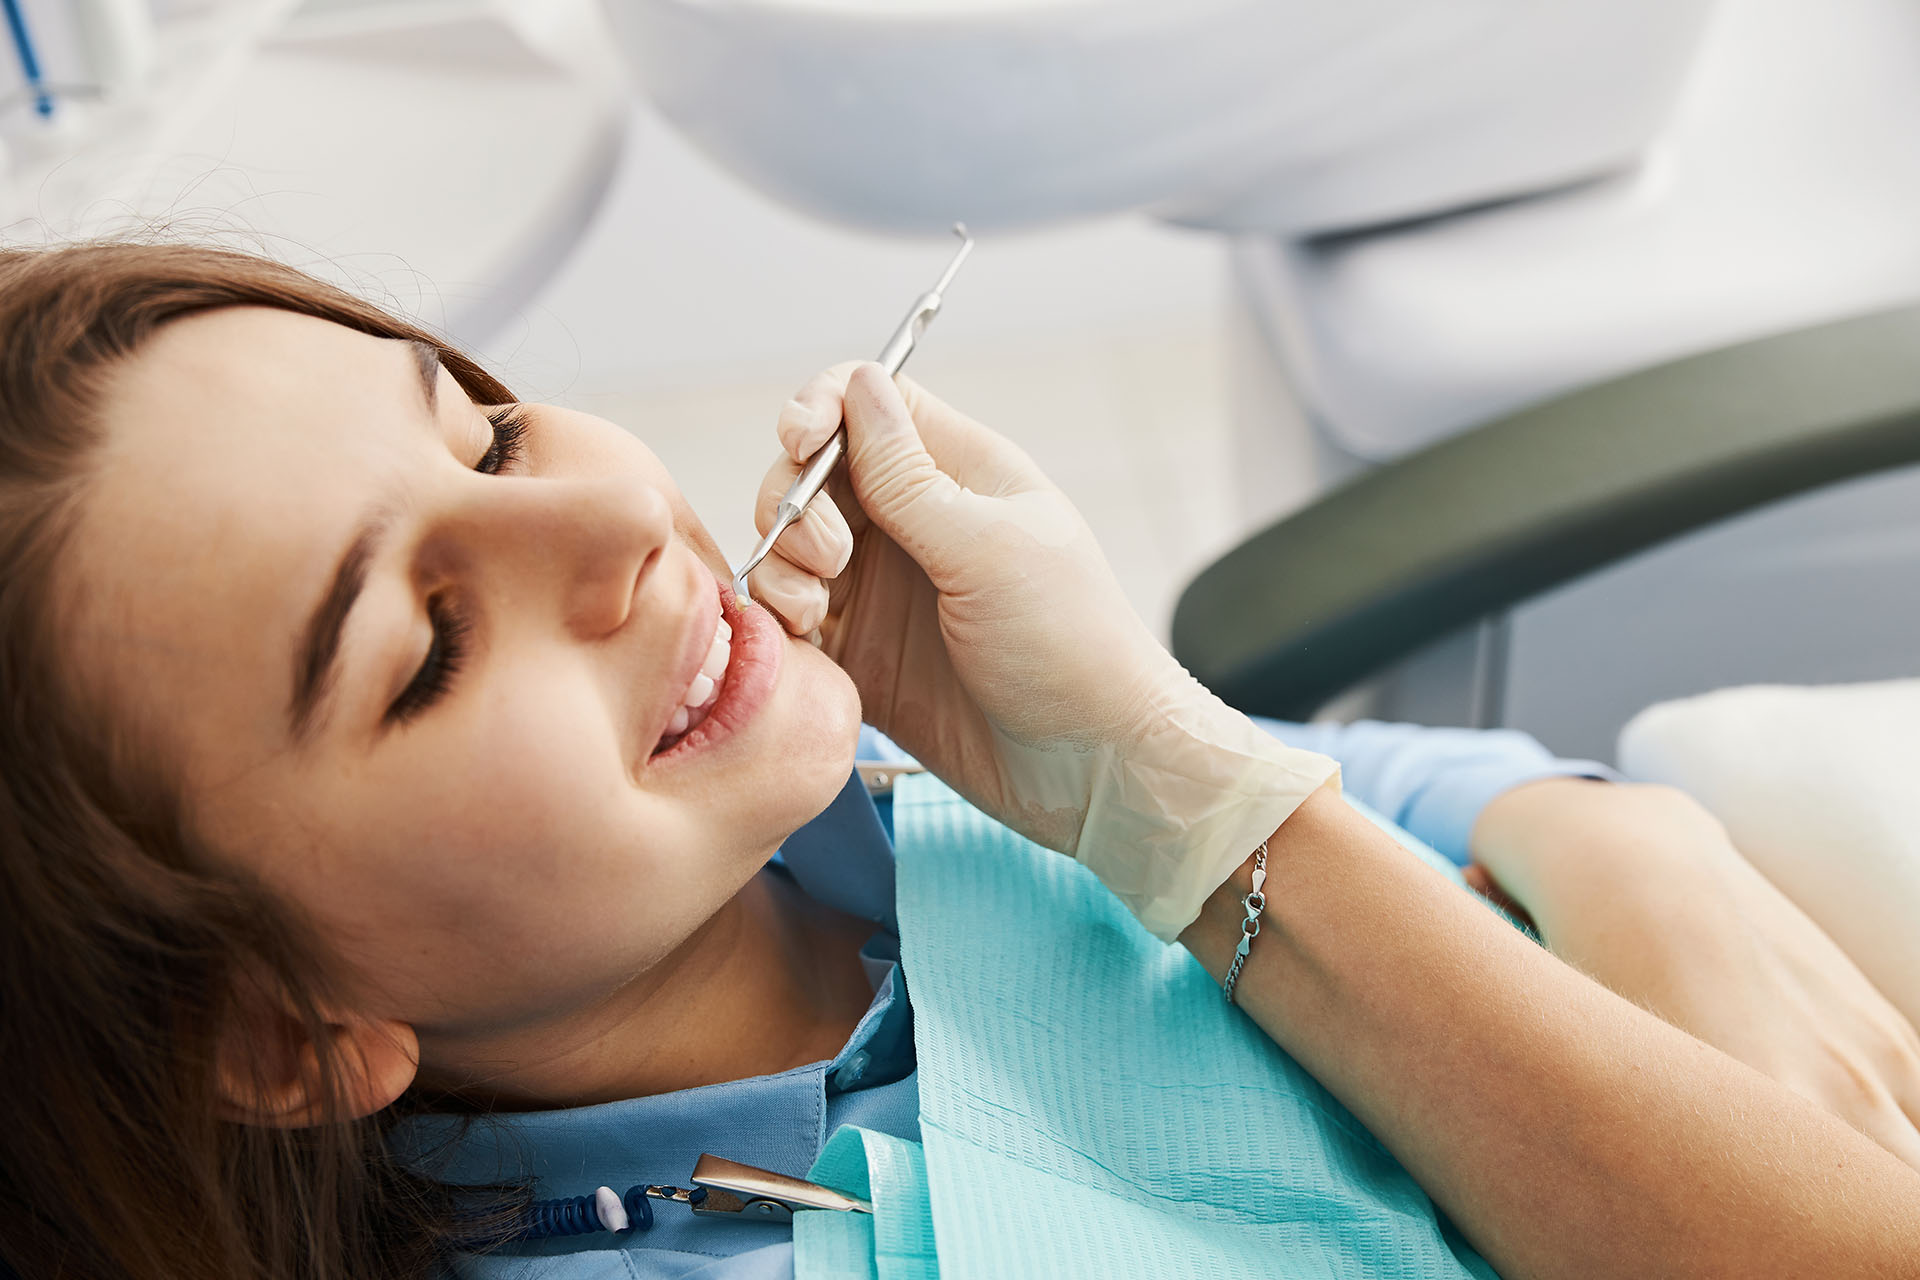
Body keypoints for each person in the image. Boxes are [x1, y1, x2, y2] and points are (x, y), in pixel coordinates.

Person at [0, 241, 1915, 1280]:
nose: (607, 530)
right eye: (427, 645)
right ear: (275, 1031)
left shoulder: (845, 816)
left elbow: (1410, 784)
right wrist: (1194, 810)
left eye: (482, 431)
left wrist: (1599, 831)